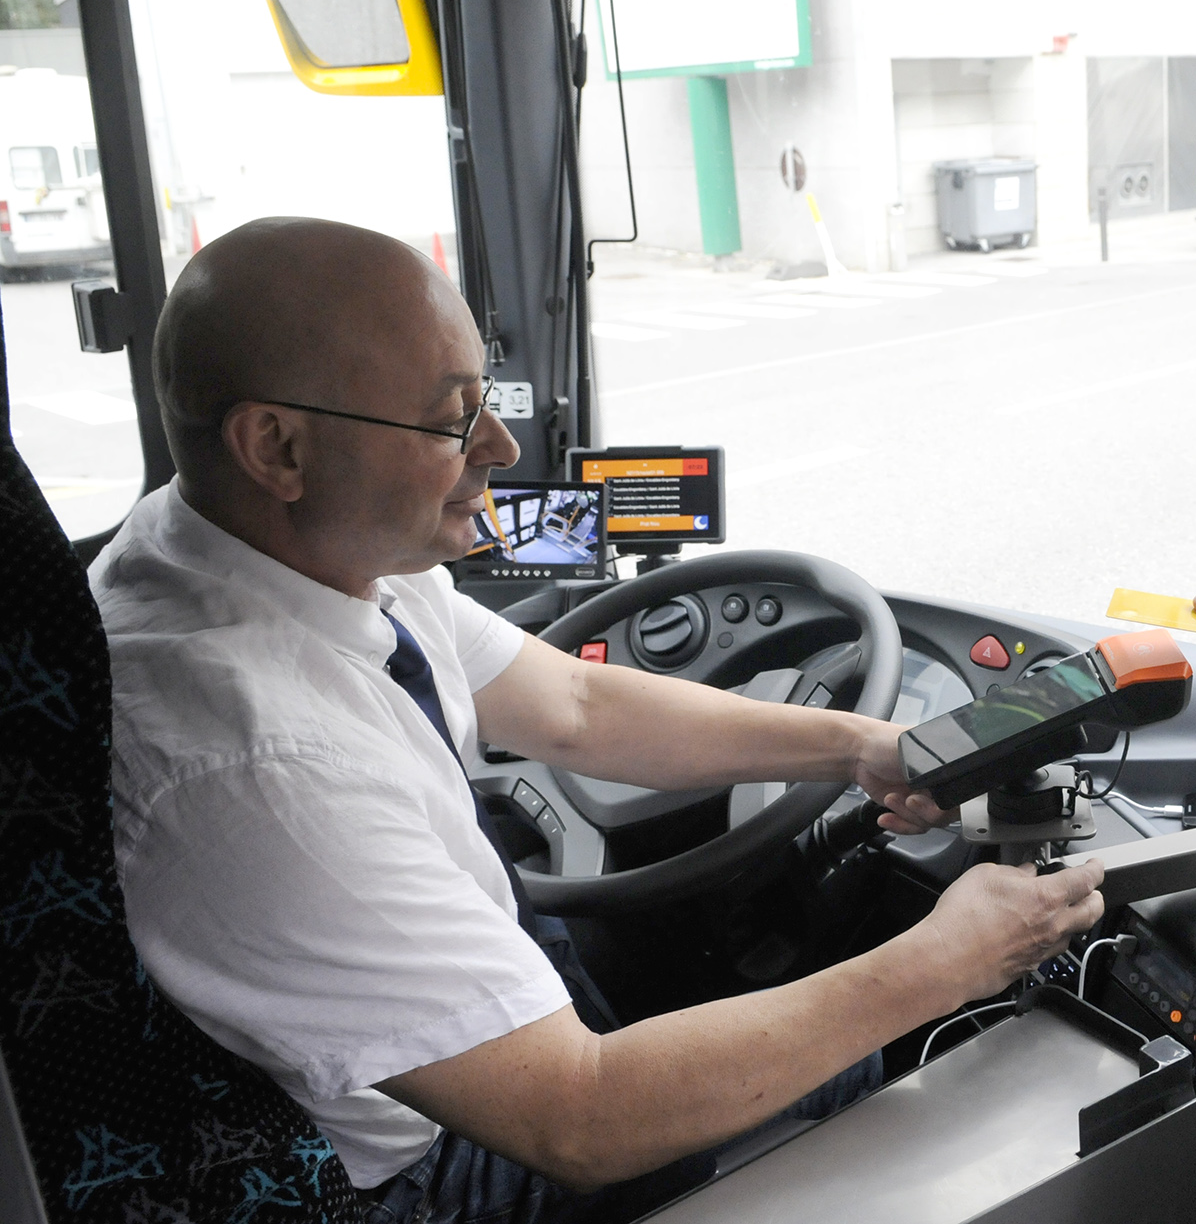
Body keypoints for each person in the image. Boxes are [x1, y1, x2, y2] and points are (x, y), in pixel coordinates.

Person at [92, 216, 1107, 1223]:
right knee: (865, 1084)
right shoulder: (251, 763)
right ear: (277, 446)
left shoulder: (289, 552)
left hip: (474, 1041)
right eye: (451, 419)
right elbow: (576, 1120)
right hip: (432, 1173)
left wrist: (857, 747)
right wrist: (947, 962)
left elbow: (573, 705)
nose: (499, 442)